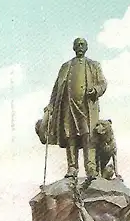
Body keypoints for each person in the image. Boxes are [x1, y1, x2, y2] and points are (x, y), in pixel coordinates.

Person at [45, 38, 107, 179]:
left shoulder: (94, 65)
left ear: (86, 47)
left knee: (88, 136)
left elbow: (103, 83)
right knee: (70, 136)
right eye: (77, 44)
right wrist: (51, 105)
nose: (79, 47)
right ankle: (72, 168)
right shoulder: (66, 66)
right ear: (73, 47)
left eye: (82, 44)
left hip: (87, 107)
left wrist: (96, 90)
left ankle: (91, 169)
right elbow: (56, 88)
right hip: (69, 106)